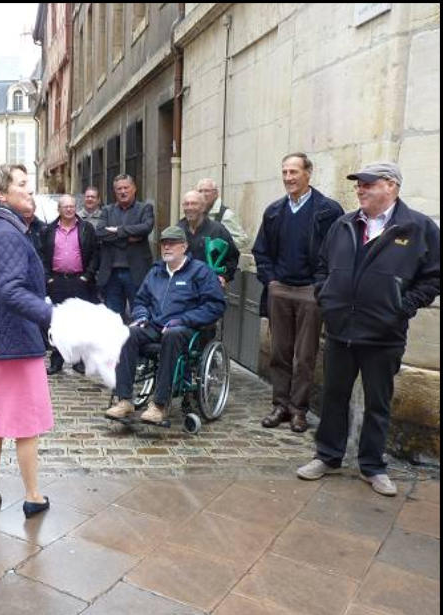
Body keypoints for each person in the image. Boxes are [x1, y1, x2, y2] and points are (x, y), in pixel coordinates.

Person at [298, 162, 440, 496]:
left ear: (391, 185)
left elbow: (434, 276)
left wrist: (401, 307)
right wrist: (326, 295)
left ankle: (372, 466)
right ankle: (328, 456)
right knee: (333, 397)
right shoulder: (343, 224)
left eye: (368, 184)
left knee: (378, 403)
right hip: (340, 330)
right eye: (358, 184)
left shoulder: (418, 227)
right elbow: (322, 266)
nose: (360, 189)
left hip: (384, 335)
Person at [0, 163, 53, 518]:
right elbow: (10, 290)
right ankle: (33, 496)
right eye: (21, 184)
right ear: (1, 194)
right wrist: (51, 315)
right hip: (14, 342)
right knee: (26, 425)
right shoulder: (6, 233)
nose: (29, 189)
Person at [252, 152, 344, 433]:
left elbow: (338, 251)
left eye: (293, 172)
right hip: (280, 289)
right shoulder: (274, 211)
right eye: (284, 172)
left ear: (308, 173)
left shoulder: (328, 211)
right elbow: (261, 250)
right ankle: (280, 405)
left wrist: (320, 285)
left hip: (310, 291)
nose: (288, 178)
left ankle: (298, 409)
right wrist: (271, 281)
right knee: (279, 353)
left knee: (304, 356)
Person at [106, 226, 226, 424]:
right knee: (127, 333)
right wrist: (142, 315)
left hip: (186, 328)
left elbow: (215, 305)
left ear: (184, 247)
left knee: (172, 334)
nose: (167, 247)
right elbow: (141, 300)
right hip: (154, 325)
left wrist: (184, 319)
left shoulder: (200, 271)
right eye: (164, 243)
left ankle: (159, 405)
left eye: (172, 243)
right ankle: (124, 400)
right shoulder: (156, 272)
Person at [42, 194, 98, 375]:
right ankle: (56, 361)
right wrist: (48, 278)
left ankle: (78, 361)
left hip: (79, 281)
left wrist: (87, 276)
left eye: (72, 206)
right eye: (65, 206)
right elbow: (42, 256)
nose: (69, 209)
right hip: (57, 281)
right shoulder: (49, 230)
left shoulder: (86, 228)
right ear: (59, 209)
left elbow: (95, 254)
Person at [96, 174, 154, 317]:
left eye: (126, 188)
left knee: (139, 315)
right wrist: (129, 237)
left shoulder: (145, 208)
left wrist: (118, 231)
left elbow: (146, 227)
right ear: (115, 191)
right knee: (113, 318)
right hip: (111, 273)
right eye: (119, 189)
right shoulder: (107, 210)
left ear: (134, 188)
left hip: (136, 272)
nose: (123, 191)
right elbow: (100, 232)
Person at [177, 189, 239, 286]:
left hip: (209, 285)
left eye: (194, 204)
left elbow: (232, 257)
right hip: (182, 285)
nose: (189, 207)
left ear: (203, 207)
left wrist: (224, 276)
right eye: (186, 204)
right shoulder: (177, 230)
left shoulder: (217, 230)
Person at [196, 178, 248, 250]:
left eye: (206, 191)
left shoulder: (225, 214)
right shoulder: (198, 213)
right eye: (200, 191)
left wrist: (220, 245)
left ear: (216, 193)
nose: (203, 194)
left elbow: (242, 240)